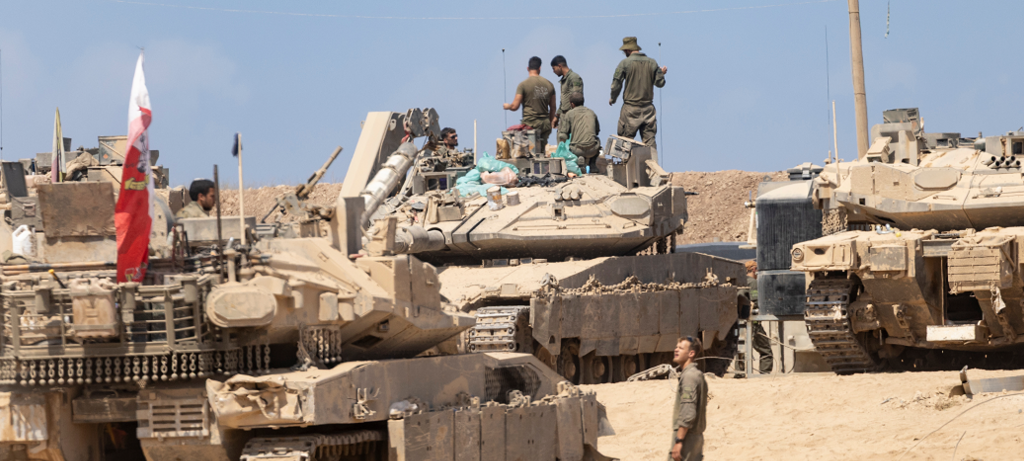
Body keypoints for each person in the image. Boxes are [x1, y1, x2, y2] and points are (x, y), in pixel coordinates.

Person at [609, 36, 667, 149]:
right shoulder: (652, 63)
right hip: (648, 110)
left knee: (624, 142)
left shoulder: (624, 63)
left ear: (627, 50)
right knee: (650, 143)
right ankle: (653, 165)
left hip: (630, 109)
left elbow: (616, 85)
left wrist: (613, 98)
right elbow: (660, 83)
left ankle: (625, 166)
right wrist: (660, 73)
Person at [503, 56, 557, 153]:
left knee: (529, 154)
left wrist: (508, 106)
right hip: (545, 125)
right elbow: (553, 107)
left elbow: (515, 106)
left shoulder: (523, 85)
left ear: (528, 68)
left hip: (530, 124)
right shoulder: (549, 85)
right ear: (539, 68)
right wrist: (550, 122)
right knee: (542, 153)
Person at [670, 336, 707, 461]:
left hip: (687, 438)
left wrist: (679, 440)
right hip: (695, 436)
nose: (676, 350)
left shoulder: (689, 377)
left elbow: (688, 411)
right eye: (676, 347)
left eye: (681, 348)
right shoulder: (695, 374)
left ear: (691, 353)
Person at [557, 92, 602, 174]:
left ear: (572, 104)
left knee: (569, 145)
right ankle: (592, 165)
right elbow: (597, 131)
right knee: (597, 141)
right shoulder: (592, 113)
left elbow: (563, 135)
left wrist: (561, 150)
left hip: (576, 150)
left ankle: (578, 163)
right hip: (593, 150)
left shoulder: (569, 114)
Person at [742, 260, 774, 374]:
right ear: (754, 269)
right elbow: (755, 301)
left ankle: (739, 373)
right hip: (753, 323)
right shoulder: (753, 283)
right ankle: (765, 374)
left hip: (740, 322)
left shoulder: (741, 281)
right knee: (766, 351)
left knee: (742, 349)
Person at [550, 55, 584, 129]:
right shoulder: (564, 80)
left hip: (573, 119)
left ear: (559, 66)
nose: (553, 71)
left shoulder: (574, 78)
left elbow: (577, 100)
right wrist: (557, 116)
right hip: (564, 118)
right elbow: (563, 102)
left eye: (554, 68)